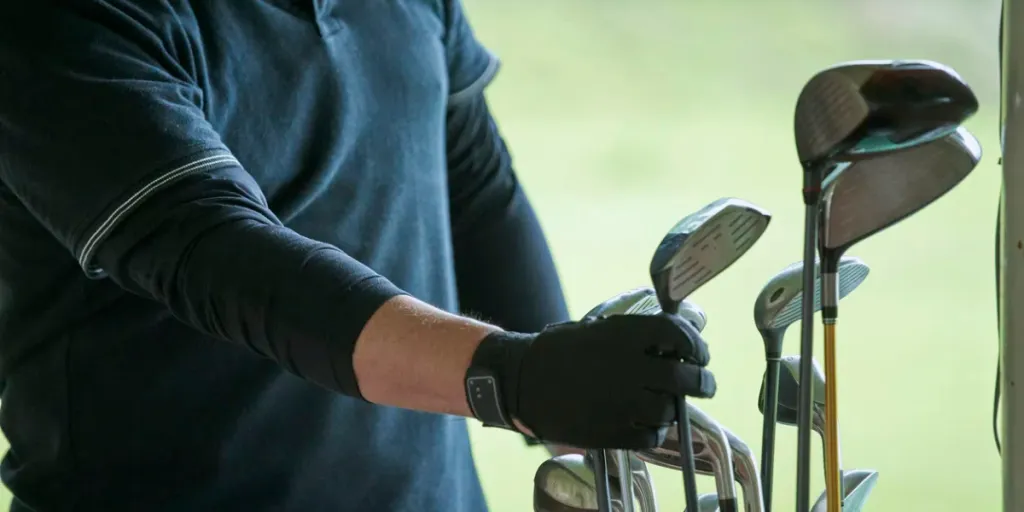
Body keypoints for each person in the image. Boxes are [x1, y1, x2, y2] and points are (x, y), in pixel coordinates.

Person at [0, 1, 717, 511]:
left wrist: (571, 415)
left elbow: (469, 179)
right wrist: (514, 377)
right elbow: (217, 253)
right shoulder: (56, 21)